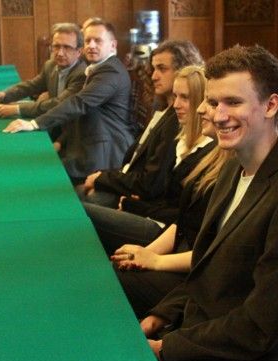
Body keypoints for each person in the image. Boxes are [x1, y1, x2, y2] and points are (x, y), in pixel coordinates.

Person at [139, 45, 278, 361]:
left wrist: (167, 347)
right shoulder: (231, 168)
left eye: (233, 102)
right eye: (213, 103)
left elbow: (261, 328)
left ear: (271, 105)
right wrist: (158, 317)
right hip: (205, 339)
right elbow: (206, 274)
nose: (218, 114)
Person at [111, 93, 231, 318]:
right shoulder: (213, 158)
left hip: (194, 278)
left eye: (212, 103)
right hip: (179, 252)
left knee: (111, 279)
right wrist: (147, 253)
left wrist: (156, 261)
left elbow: (214, 257)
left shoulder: (229, 166)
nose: (200, 109)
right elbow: (184, 222)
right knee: (116, 264)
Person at [83, 66, 215, 255]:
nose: (176, 105)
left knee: (83, 213)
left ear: (201, 101)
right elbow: (162, 193)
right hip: (154, 215)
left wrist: (135, 206)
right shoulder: (181, 140)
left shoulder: (207, 151)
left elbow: (184, 215)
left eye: (185, 98)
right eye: (175, 96)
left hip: (166, 231)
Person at [3, 20, 134, 186]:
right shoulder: (98, 67)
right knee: (31, 165)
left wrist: (34, 124)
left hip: (104, 153)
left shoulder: (111, 71)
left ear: (113, 45)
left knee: (36, 174)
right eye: (88, 40)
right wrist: (61, 141)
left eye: (98, 41)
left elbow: (78, 104)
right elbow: (79, 113)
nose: (91, 45)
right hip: (84, 144)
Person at [81, 40, 203, 208]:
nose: (154, 76)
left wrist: (101, 179)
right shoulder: (162, 109)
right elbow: (135, 164)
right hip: (128, 182)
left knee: (82, 203)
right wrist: (102, 177)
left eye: (162, 69)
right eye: (153, 69)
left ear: (184, 70)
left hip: (141, 198)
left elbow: (151, 184)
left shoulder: (179, 118)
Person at [0, 22, 86, 140]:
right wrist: (5, 95)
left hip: (71, 136)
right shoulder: (51, 65)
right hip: (52, 126)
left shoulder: (82, 74)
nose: (60, 53)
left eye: (67, 47)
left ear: (79, 51)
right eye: (56, 46)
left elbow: (58, 104)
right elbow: (32, 85)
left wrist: (17, 109)